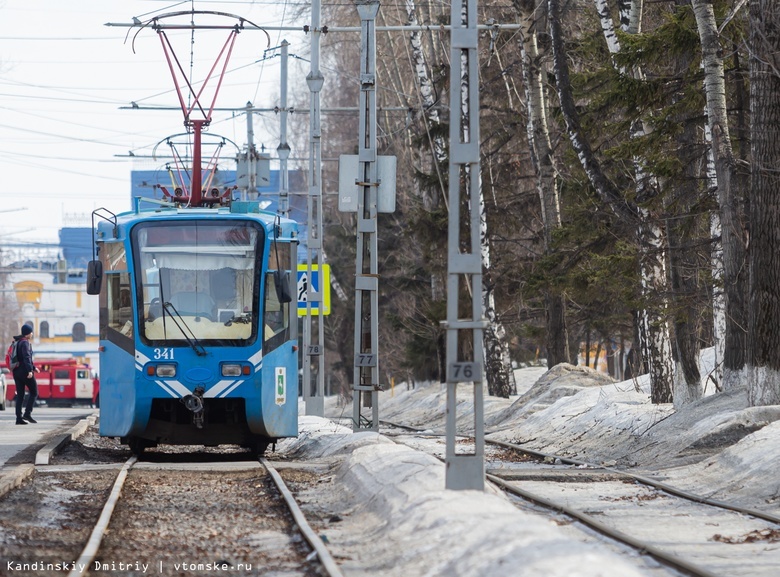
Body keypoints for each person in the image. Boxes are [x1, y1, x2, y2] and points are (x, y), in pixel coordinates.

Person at [13, 324, 39, 425]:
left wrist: (33, 367)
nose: (32, 334)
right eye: (31, 332)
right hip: (24, 372)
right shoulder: (25, 343)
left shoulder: (18, 342)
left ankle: (18, 418)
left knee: (20, 395)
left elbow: (21, 358)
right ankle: (27, 414)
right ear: (28, 333)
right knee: (34, 392)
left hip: (17, 371)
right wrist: (29, 370)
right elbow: (26, 357)